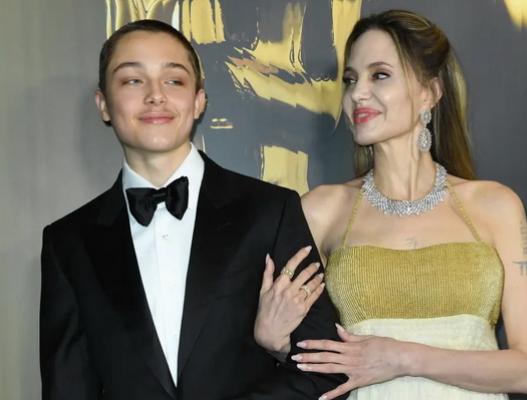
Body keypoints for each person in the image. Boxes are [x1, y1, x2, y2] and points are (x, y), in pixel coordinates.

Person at [39, 19, 346, 400]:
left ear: (199, 100)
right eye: (132, 80)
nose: (155, 95)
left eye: (174, 80)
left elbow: (327, 368)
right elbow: (66, 388)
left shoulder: (270, 211)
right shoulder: (69, 243)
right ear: (104, 104)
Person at [254, 9, 527, 399]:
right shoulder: (322, 210)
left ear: (429, 92)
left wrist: (402, 357)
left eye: (380, 75)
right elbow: (316, 363)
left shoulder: (495, 206)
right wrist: (273, 341)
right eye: (351, 79)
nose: (358, 92)